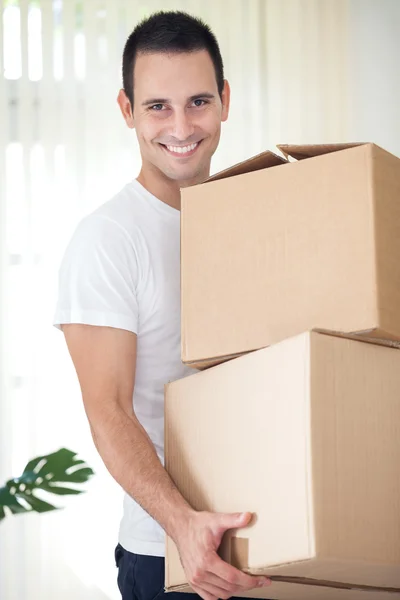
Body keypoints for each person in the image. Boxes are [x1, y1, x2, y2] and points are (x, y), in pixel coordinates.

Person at [53, 10, 272, 600]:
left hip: (273, 538)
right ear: (127, 111)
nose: (181, 125)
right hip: (173, 559)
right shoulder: (108, 239)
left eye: (199, 101)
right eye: (157, 107)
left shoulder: (259, 221)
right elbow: (108, 411)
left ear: (225, 100)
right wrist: (182, 526)